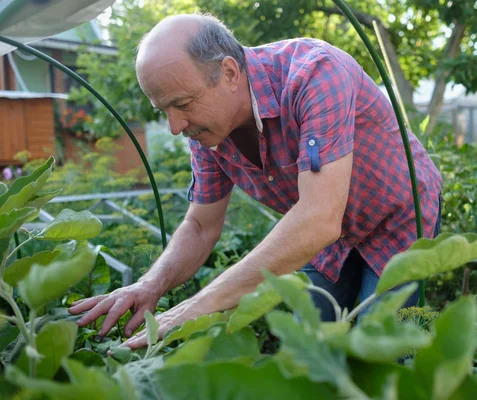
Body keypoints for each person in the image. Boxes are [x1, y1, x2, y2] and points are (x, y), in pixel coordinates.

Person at [68, 13, 442, 348]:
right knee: (307, 344)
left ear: (229, 73)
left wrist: (196, 306)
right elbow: (200, 226)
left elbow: (318, 218)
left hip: (396, 217)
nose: (175, 126)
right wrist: (148, 285)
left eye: (182, 104)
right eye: (163, 109)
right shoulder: (208, 129)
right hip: (332, 232)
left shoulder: (315, 74)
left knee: (382, 347)